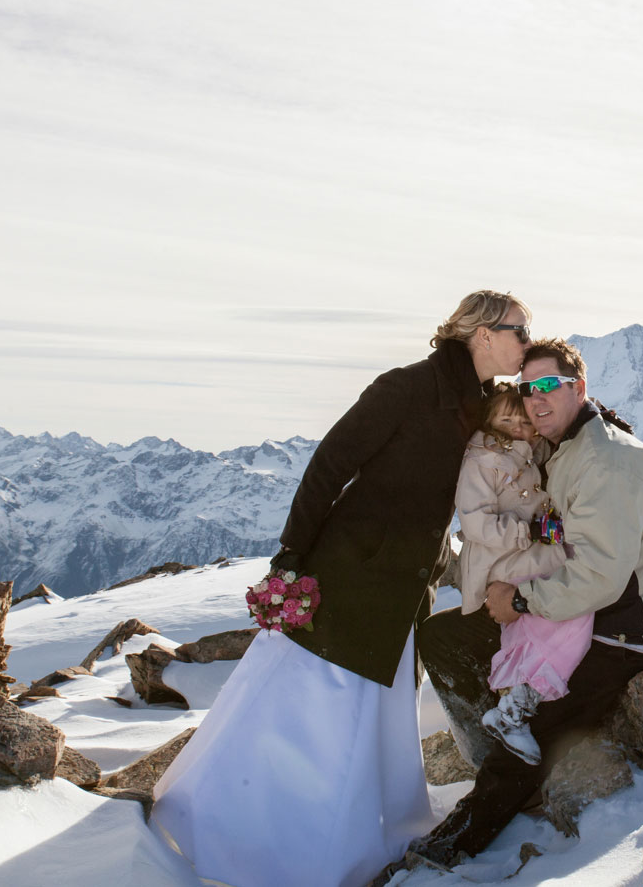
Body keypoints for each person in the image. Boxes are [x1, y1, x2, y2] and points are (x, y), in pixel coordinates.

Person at [152, 290, 532, 887]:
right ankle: (263, 840)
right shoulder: (405, 388)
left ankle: (356, 835)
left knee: (372, 718)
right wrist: (291, 558)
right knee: (313, 712)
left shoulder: (482, 404)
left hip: (405, 588)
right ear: (482, 334)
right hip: (350, 579)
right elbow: (328, 466)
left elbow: (530, 435)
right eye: (520, 331)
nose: (527, 343)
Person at [402, 337, 643, 870]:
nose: (536, 399)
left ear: (580, 388)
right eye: (529, 389)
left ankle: (459, 840)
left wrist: (522, 600)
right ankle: (496, 750)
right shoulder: (568, 444)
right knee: (443, 638)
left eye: (550, 385)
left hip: (617, 631)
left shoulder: (609, 458)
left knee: (529, 726)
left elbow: (599, 574)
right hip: (574, 612)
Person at [452, 383, 592, 766]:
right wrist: (529, 531)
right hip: (502, 558)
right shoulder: (482, 458)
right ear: (490, 421)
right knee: (571, 607)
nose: (515, 426)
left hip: (524, 552)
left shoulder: (529, 453)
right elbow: (477, 522)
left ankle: (514, 707)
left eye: (522, 420)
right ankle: (515, 709)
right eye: (505, 418)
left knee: (543, 618)